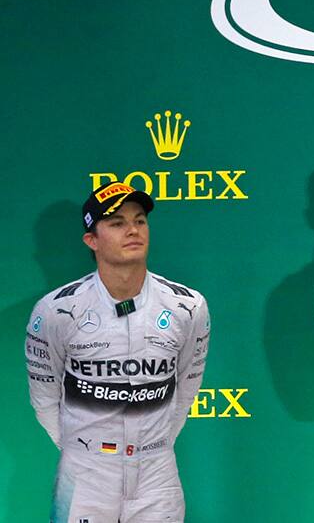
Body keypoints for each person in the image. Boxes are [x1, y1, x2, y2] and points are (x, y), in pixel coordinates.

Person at [26, 182, 210, 522]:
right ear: (91, 240)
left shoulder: (188, 306)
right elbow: (44, 399)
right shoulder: (55, 311)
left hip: (157, 474)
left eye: (139, 220)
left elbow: (186, 389)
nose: (133, 230)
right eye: (117, 223)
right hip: (84, 476)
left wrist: (150, 446)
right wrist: (85, 451)